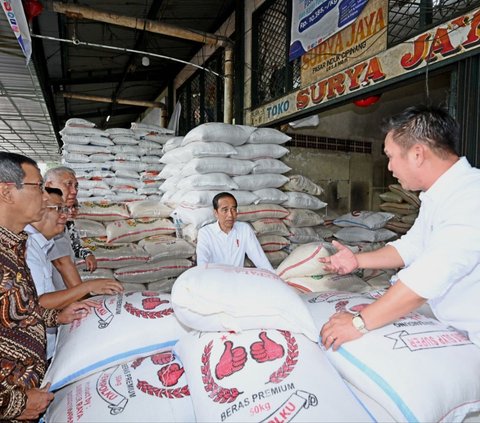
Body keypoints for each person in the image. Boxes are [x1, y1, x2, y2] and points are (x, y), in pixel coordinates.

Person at [319, 105, 480, 350]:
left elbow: (429, 276)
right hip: (458, 329)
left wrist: (358, 324)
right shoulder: (439, 195)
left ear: (417, 154)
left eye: (391, 155)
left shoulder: (470, 197)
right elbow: (413, 247)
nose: (390, 167)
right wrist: (358, 261)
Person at [0, 152, 93, 421]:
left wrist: (55, 316)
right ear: (7, 193)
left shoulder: (15, 247)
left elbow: (16, 310)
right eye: (37, 186)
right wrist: (12, 403)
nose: (45, 196)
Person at [25, 187, 123, 359]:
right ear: (37, 210)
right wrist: (88, 287)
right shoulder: (28, 249)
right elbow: (39, 303)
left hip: (43, 344)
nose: (65, 215)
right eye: (58, 210)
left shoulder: (41, 246)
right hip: (31, 350)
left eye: (66, 209)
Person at [44, 166, 96, 289]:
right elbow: (62, 263)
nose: (74, 191)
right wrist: (83, 298)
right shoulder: (49, 217)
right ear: (49, 184)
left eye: (76, 186)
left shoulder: (63, 219)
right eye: (68, 184)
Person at [196, 192, 274, 272]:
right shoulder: (205, 233)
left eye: (233, 209)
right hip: (215, 280)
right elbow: (202, 265)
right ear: (216, 213)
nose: (230, 215)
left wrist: (274, 278)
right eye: (225, 210)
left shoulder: (244, 229)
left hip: (237, 281)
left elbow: (260, 259)